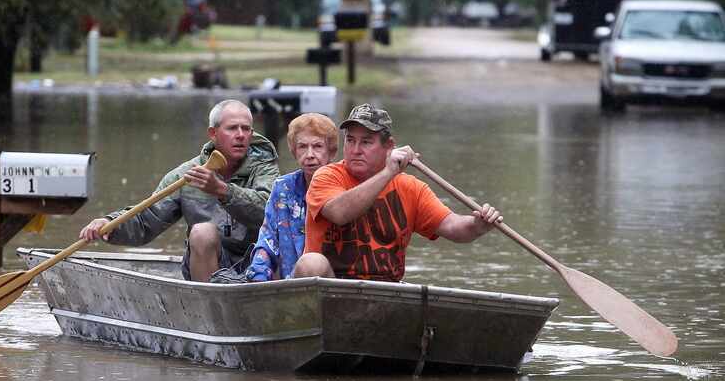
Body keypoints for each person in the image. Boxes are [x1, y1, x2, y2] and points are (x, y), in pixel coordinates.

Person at [292, 103, 502, 282]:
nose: (355, 149)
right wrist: (387, 172)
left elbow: (453, 226)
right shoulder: (326, 176)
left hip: (385, 291)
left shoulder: (412, 188)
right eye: (350, 140)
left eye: (366, 142)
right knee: (311, 263)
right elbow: (340, 213)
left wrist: (478, 225)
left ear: (389, 147)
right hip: (332, 290)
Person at [79, 99, 279, 282]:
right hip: (206, 267)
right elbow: (147, 219)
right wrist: (109, 223)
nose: (240, 135)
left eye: (246, 129)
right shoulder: (185, 175)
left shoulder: (265, 168)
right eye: (232, 128)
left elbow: (268, 211)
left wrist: (223, 191)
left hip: (258, 263)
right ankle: (207, 307)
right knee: (202, 231)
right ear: (213, 133)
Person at [245, 113, 338, 282]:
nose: (309, 154)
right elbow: (268, 240)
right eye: (302, 147)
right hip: (290, 284)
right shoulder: (283, 188)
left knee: (313, 265)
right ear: (294, 152)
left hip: (335, 286)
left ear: (331, 152)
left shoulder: (344, 185)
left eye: (317, 146)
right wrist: (258, 276)